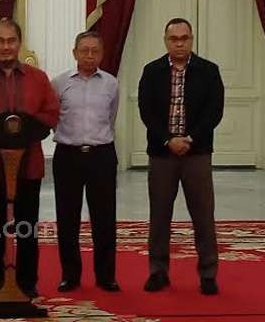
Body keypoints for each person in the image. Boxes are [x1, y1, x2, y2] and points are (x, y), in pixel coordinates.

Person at [0, 19, 59, 298]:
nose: (6, 47)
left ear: (19, 42)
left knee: (27, 227)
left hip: (28, 166)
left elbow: (51, 114)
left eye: (11, 41)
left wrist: (27, 126)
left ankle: (28, 283)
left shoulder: (38, 78)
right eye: (0, 41)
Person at [138, 17, 224, 295]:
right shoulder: (151, 72)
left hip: (196, 153)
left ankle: (208, 274)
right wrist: (167, 139)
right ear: (165, 41)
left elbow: (214, 111)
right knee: (160, 215)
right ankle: (158, 271)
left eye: (184, 38)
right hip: (162, 154)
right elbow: (146, 111)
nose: (179, 43)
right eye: (173, 38)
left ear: (191, 40)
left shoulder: (209, 71)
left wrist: (190, 138)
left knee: (203, 215)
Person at [51, 31, 120, 293]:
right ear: (74, 52)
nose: (89, 56)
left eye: (95, 51)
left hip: (102, 155)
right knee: (67, 218)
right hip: (68, 155)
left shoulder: (111, 83)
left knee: (104, 218)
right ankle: (70, 275)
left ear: (102, 54)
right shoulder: (59, 83)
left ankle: (106, 276)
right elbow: (53, 116)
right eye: (84, 50)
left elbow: (111, 117)